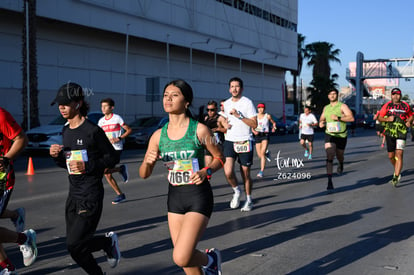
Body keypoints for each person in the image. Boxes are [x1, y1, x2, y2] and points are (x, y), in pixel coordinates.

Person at [139, 79, 225, 275]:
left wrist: (207, 171)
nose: (168, 99)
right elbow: (143, 175)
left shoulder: (200, 130)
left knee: (181, 256)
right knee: (186, 263)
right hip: (175, 198)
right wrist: (148, 163)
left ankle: (211, 259)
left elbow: (220, 158)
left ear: (187, 102)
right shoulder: (158, 136)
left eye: (174, 95)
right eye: (165, 95)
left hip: (198, 196)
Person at [49, 82, 121, 275]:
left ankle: (106, 244)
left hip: (90, 194)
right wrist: (57, 157)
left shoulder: (92, 131)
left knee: (75, 244)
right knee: (75, 247)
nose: (61, 107)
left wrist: (88, 166)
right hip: (73, 195)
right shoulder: (66, 131)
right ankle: (106, 245)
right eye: (59, 104)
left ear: (78, 103)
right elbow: (69, 164)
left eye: (65, 103)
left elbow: (113, 158)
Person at [0, 107, 37, 274]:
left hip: (1, 179)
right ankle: (8, 267)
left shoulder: (0, 115)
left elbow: (21, 139)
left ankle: (24, 239)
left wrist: (6, 159)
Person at [219, 77, 257, 211]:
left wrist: (239, 116)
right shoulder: (227, 103)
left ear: (241, 88)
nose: (234, 89)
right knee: (228, 171)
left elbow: (254, 124)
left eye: (237, 86)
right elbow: (222, 119)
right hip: (230, 140)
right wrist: (224, 123)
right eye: (232, 86)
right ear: (229, 89)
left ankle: (249, 200)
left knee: (245, 174)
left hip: (245, 140)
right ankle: (236, 190)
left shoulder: (248, 103)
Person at [319, 88, 354, 192]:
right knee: (329, 154)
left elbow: (351, 118)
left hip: (341, 135)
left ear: (337, 95)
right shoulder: (326, 108)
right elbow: (322, 119)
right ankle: (329, 180)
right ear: (328, 96)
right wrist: (321, 123)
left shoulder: (342, 106)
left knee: (340, 155)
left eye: (334, 94)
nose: (332, 96)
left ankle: (341, 163)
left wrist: (338, 118)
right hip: (329, 134)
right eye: (330, 94)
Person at [98, 98, 132, 205]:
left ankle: (120, 170)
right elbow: (98, 135)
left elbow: (129, 130)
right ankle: (120, 194)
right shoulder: (101, 121)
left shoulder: (117, 118)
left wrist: (119, 138)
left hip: (116, 148)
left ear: (111, 107)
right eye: (102, 106)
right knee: (107, 174)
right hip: (105, 150)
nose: (103, 108)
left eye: (105, 106)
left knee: (105, 172)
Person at [377, 87, 413, 187]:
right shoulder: (387, 105)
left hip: (402, 132)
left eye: (398, 94)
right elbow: (379, 117)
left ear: (400, 95)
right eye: (394, 94)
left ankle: (396, 177)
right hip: (390, 133)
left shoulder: (405, 105)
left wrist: (409, 121)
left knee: (399, 153)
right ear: (391, 95)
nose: (396, 96)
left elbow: (411, 115)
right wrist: (388, 119)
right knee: (391, 156)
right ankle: (397, 168)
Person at [251, 103, 276, 178]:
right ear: (257, 109)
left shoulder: (267, 116)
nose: (260, 109)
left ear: (264, 109)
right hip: (257, 135)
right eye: (259, 108)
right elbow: (252, 125)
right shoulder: (255, 116)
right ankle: (267, 153)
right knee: (259, 155)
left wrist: (273, 128)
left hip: (265, 135)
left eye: (262, 108)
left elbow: (274, 123)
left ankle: (261, 171)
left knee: (262, 154)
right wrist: (253, 131)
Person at [203, 100, 226, 166]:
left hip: (219, 144)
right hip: (209, 143)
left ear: (216, 109)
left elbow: (227, 130)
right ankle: (208, 176)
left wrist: (218, 129)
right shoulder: (206, 118)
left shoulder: (220, 118)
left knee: (221, 165)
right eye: (208, 110)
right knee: (208, 165)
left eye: (212, 110)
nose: (209, 112)